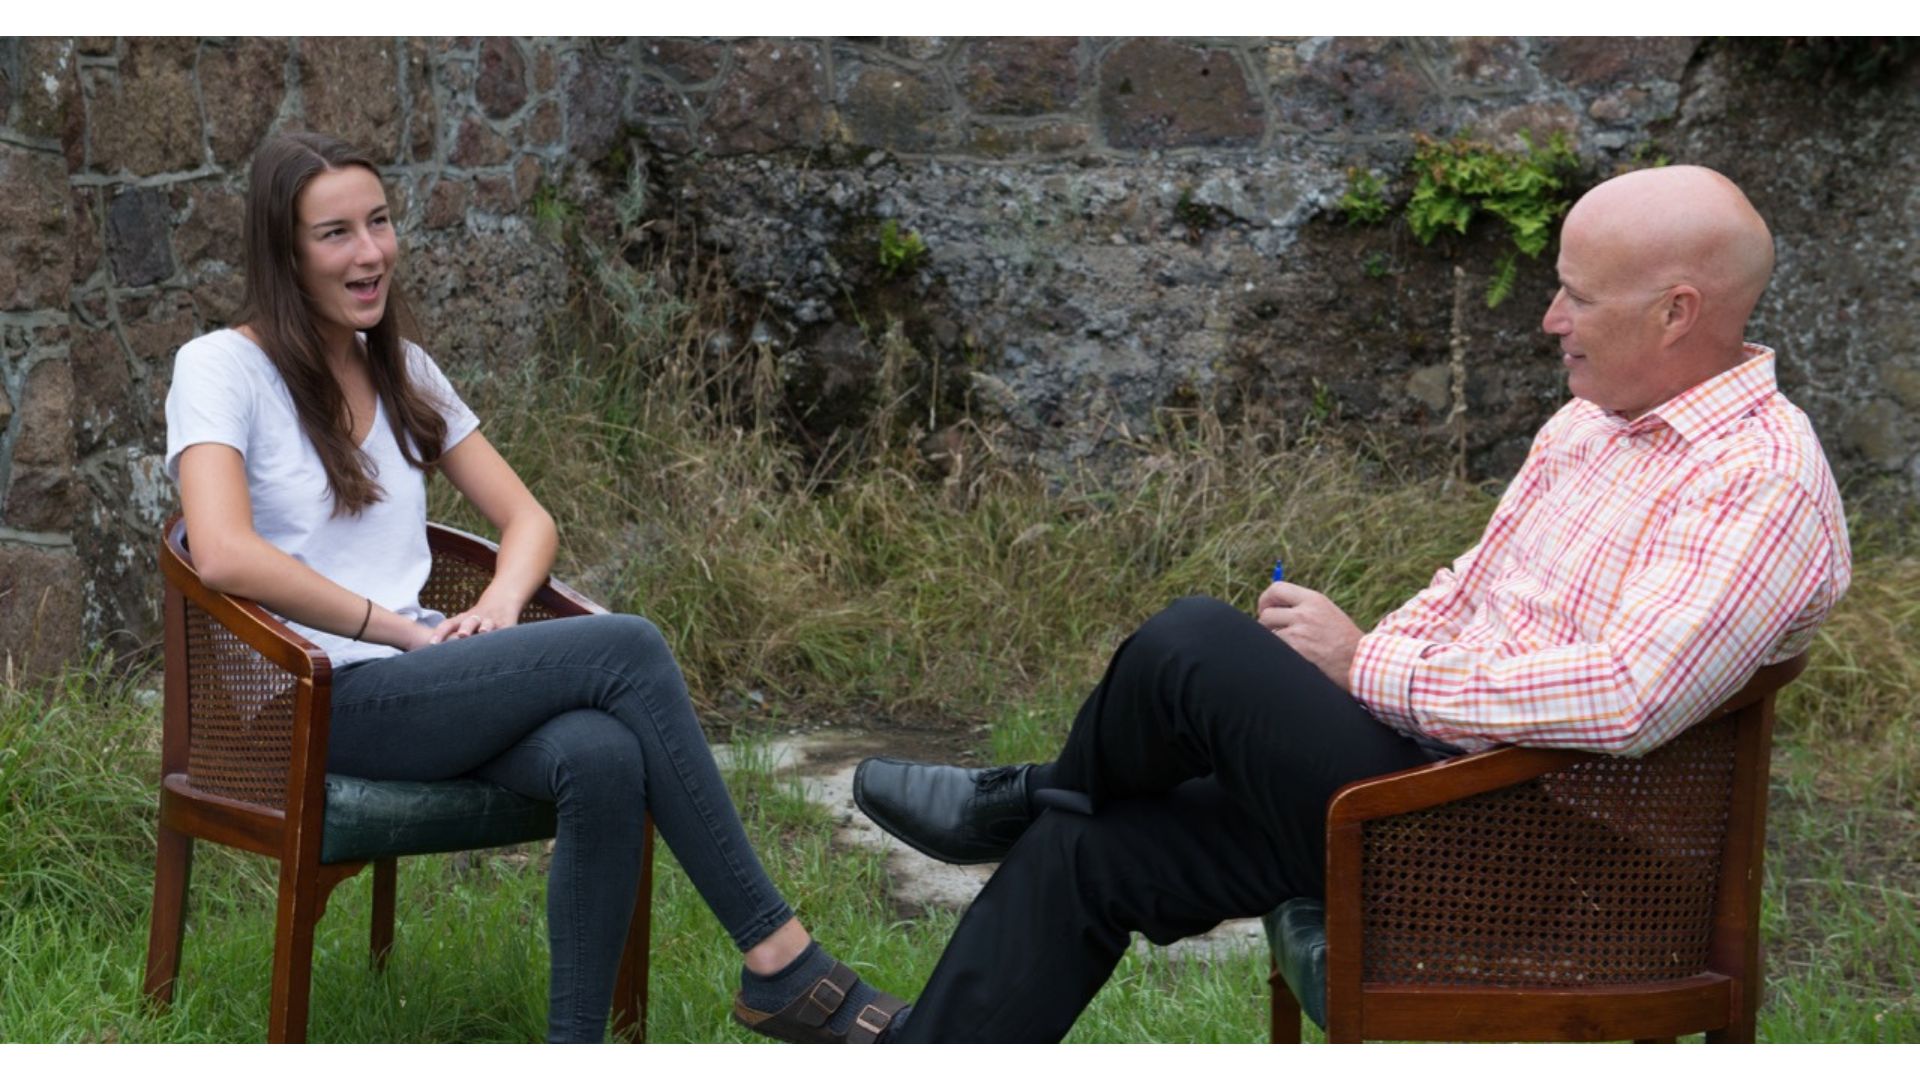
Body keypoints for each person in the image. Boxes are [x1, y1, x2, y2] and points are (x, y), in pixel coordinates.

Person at [852, 164, 1853, 1042]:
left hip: (1551, 873)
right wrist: (1364, 672)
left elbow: (1629, 696)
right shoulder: (1590, 428)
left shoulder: (1758, 480)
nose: (1550, 318)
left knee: (1195, 642)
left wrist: (1363, 668)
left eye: (1576, 297)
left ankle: (1026, 793)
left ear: (1676, 312)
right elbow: (1467, 589)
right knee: (1087, 848)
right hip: (1440, 798)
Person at [164, 132, 907, 1044]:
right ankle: (782, 962)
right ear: (284, 253)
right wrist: (397, 631)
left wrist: (496, 614)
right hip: (308, 700)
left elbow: (531, 523)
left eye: (380, 222)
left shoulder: (403, 370)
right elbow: (226, 555)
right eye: (335, 234)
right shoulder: (218, 367)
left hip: (418, 683)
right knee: (626, 646)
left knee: (599, 755)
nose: (370, 253)